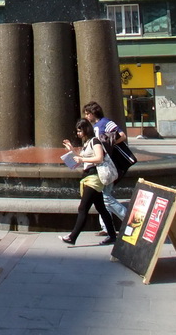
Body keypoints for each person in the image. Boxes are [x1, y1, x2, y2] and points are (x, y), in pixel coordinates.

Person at [59, 119, 116, 246]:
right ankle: (112, 236)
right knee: (101, 208)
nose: (78, 133)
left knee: (83, 208)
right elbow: (82, 159)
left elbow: (99, 158)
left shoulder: (95, 141)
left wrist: (81, 158)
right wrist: (72, 150)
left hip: (94, 178)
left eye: (80, 131)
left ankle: (72, 237)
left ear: (86, 129)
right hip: (89, 177)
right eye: (77, 131)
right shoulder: (88, 143)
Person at [83, 101, 128, 236]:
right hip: (100, 166)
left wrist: (109, 145)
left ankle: (128, 220)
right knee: (101, 196)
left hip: (108, 165)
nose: (86, 117)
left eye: (86, 114)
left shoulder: (105, 122)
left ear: (92, 113)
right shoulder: (95, 126)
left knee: (105, 197)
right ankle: (106, 227)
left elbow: (122, 135)